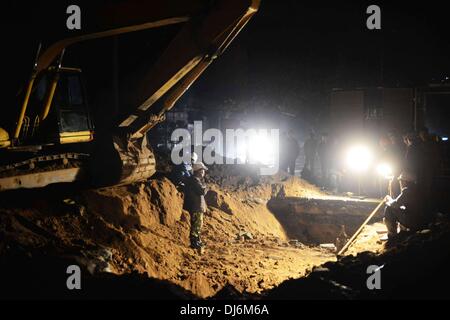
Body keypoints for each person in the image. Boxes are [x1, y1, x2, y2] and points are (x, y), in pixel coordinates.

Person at [384, 172, 430, 240]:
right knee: (402, 208)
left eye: (400, 181)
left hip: (414, 221)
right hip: (423, 220)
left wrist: (388, 200)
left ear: (405, 181)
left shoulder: (407, 190)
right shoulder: (419, 189)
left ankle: (392, 234)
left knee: (389, 209)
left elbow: (395, 204)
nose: (400, 183)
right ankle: (403, 230)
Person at [183, 162, 208, 250]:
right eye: (203, 171)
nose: (204, 172)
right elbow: (202, 191)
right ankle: (194, 242)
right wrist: (205, 185)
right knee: (196, 224)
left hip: (196, 206)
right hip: (195, 206)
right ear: (199, 171)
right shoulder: (194, 180)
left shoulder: (195, 180)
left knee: (198, 224)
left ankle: (197, 240)